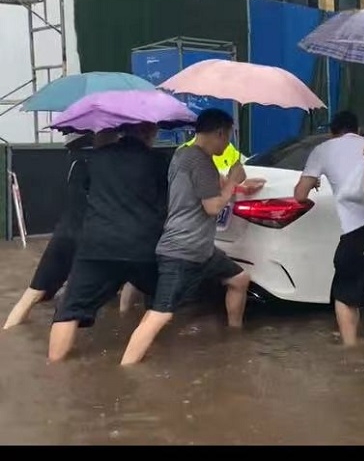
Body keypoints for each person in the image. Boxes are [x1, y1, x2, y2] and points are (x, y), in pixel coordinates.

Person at [120, 108, 259, 365]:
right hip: (183, 250)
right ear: (219, 133)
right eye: (227, 136)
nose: (228, 142)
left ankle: (234, 335)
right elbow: (213, 207)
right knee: (161, 314)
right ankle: (126, 367)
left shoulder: (183, 154)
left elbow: (211, 184)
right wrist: (232, 183)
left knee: (239, 279)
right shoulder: (201, 161)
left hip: (202, 250)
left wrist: (237, 183)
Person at [48, 123, 170, 362]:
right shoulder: (159, 161)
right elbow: (165, 202)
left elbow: (84, 193)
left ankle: (54, 370)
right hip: (143, 245)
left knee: (68, 311)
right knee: (161, 302)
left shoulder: (95, 158)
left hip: (97, 246)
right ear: (149, 132)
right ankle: (140, 359)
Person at [3, 131, 120, 330]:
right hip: (90, 240)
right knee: (77, 302)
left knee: (32, 294)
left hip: (64, 235)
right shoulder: (106, 166)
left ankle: (8, 332)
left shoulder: (74, 163)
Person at [294, 111, 364, 346]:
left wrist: (314, 182)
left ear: (333, 131)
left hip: (356, 234)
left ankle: (350, 348)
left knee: (345, 296)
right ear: (357, 129)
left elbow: (299, 195)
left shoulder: (323, 150)